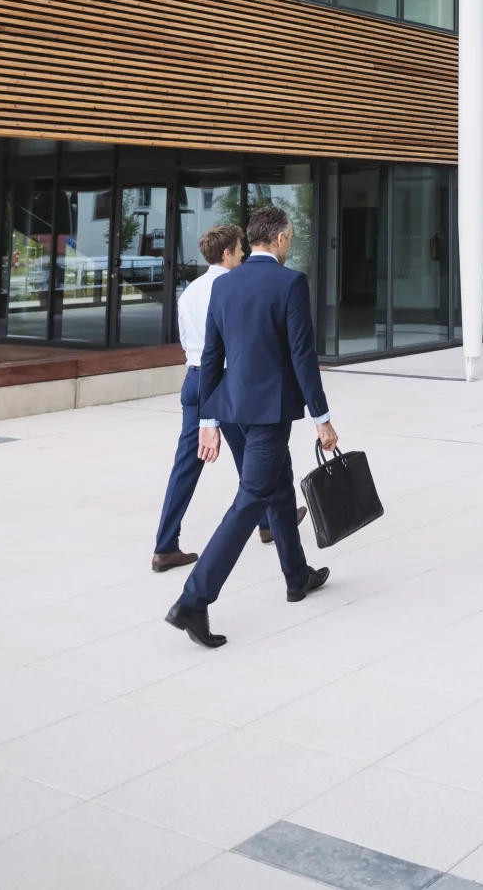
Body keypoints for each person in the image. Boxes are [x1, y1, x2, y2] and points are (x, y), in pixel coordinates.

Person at [165, 205, 335, 649]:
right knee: (251, 500)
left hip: (234, 407)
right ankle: (193, 600)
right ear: (278, 239)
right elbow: (302, 356)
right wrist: (322, 418)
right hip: (269, 411)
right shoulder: (291, 282)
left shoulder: (222, 285)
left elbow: (210, 359)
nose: (290, 244)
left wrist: (208, 418)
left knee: (279, 487)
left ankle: (296, 576)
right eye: (290, 237)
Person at [153, 224, 245, 572]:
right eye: (239, 250)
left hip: (193, 378)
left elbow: (185, 338)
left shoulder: (188, 291)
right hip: (222, 380)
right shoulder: (229, 287)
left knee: (186, 466)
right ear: (226, 254)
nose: (243, 255)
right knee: (256, 455)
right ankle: (270, 523)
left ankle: (164, 547)